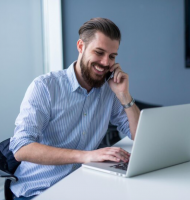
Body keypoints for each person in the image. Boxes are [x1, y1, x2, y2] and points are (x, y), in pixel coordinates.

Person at [9, 18, 140, 199]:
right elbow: (21, 148)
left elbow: (139, 135)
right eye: (99, 52)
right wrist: (86, 156)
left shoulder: (110, 91)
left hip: (82, 188)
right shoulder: (45, 87)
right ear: (81, 46)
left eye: (112, 56)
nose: (105, 62)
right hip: (38, 191)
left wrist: (124, 96)